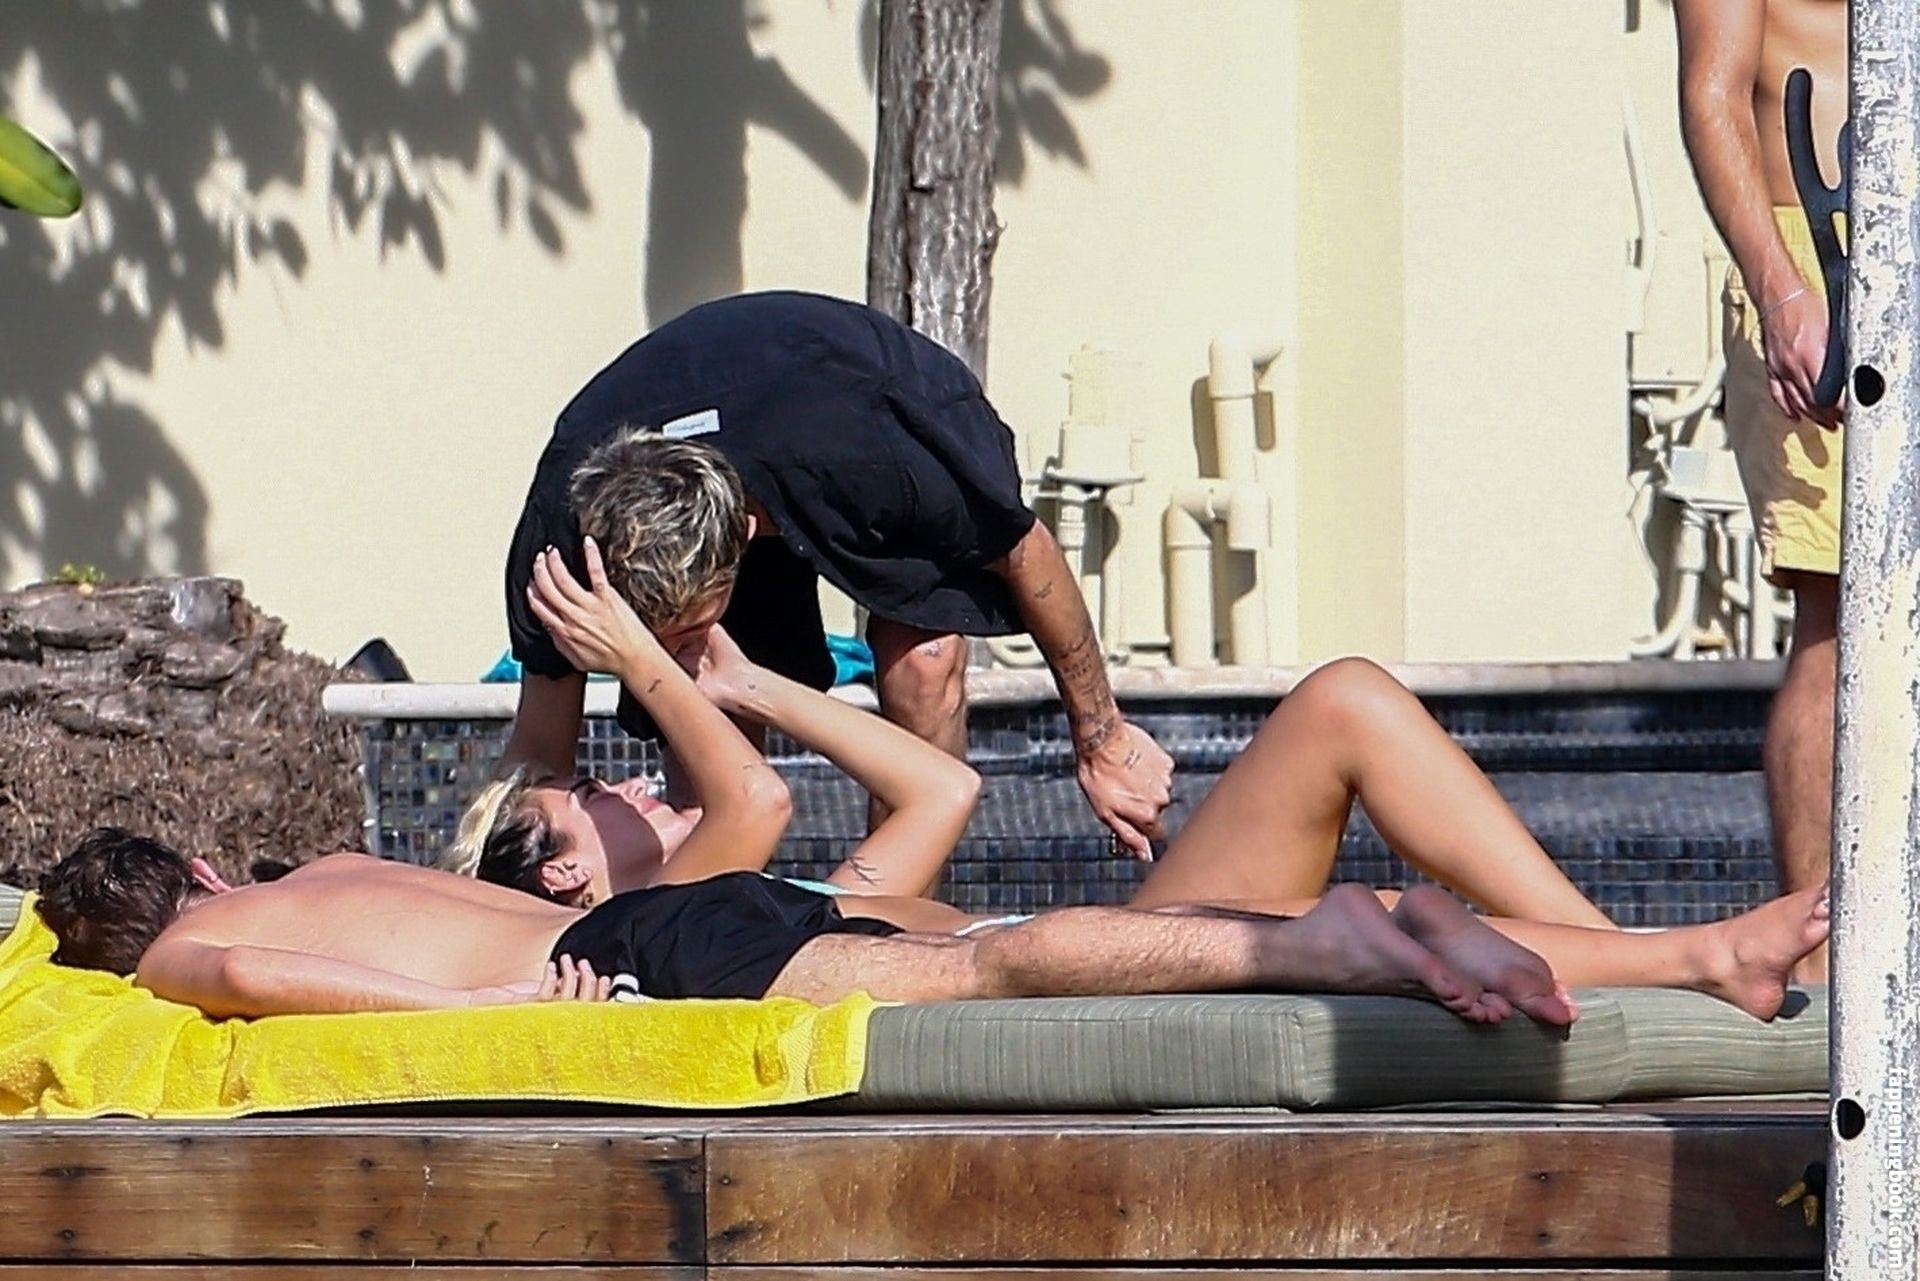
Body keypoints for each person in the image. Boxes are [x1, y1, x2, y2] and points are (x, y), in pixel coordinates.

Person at [445, 537, 1831, 1027]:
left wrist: (750, 684)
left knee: (1346, 699)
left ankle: (1641, 975)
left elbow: (942, 794)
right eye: (586, 800)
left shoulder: (769, 904)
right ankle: (1690, 964)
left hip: (1112, 940)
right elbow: (754, 800)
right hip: (1085, 970)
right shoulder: (637, 927)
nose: (627, 784)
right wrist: (647, 662)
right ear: (562, 871)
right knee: (1345, 919)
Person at [499, 290, 1172, 858]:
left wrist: (1103, 738)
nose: (677, 655)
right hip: (713, 428)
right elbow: (539, 758)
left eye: (692, 630)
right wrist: (490, 904)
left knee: (925, 665)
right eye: (657, 640)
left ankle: (908, 922)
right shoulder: (562, 539)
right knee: (705, 713)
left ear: (746, 535)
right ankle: (714, 910)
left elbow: (1028, 553)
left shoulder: (884, 463)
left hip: (864, 400)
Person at [37, 821, 1826, 1024]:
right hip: (685, 915)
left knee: (993, 968)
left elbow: (246, 971)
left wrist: (498, 1024)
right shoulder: (313, 865)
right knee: (998, 944)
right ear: (195, 853)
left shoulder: (189, 947)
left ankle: (1328, 940)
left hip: (642, 964)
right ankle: (1702, 955)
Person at [1675, 0, 1845, 979]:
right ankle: (1822, 971)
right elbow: (1714, 91)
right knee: (1840, 615)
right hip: (1819, 255)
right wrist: (1782, 291)